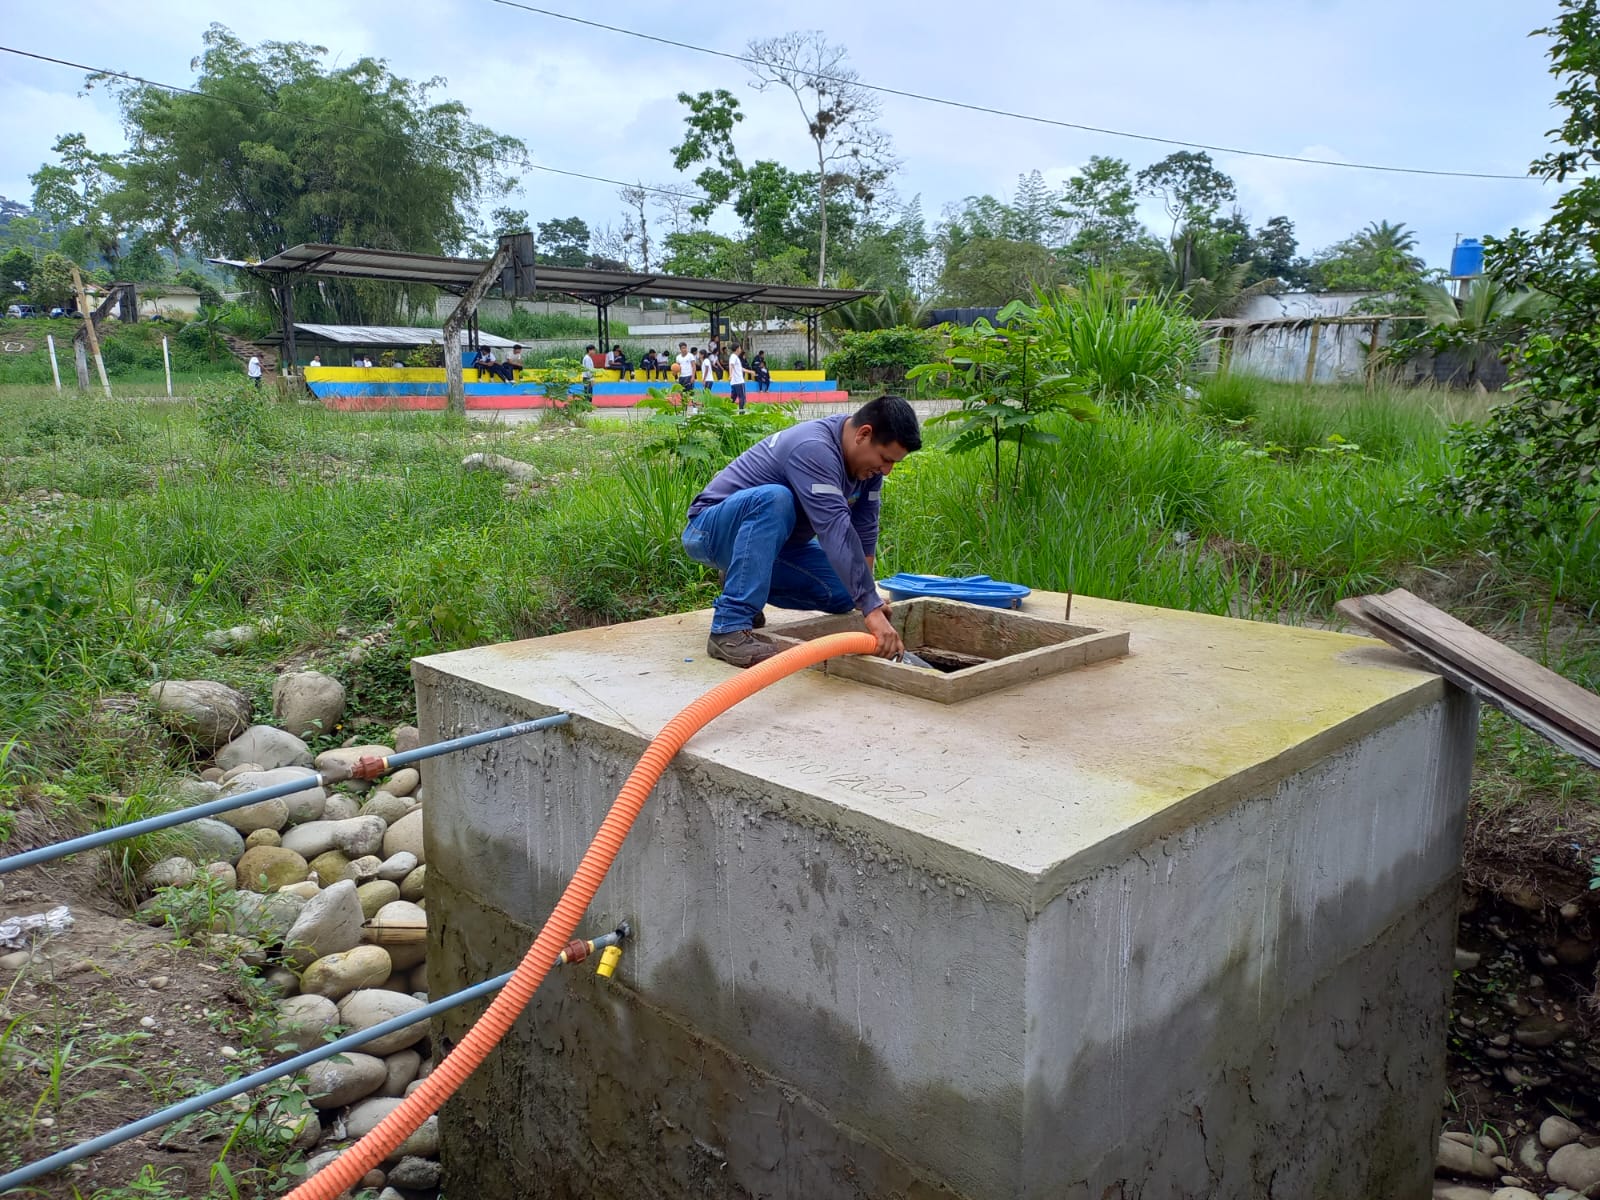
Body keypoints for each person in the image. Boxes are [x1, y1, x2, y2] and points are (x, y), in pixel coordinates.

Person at [681, 395, 921, 668]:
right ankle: (729, 627)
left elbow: (864, 529)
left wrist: (869, 601)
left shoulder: (869, 470)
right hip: (709, 530)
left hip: (775, 544)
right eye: (885, 459)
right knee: (775, 499)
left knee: (846, 593)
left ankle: (739, 577)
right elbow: (835, 529)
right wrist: (871, 609)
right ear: (863, 434)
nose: (887, 470)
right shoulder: (814, 448)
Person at [727, 343, 747, 412]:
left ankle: (728, 410)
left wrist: (750, 372)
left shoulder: (734, 357)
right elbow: (731, 365)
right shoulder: (734, 357)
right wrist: (730, 375)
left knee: (733, 398)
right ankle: (741, 413)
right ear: (737, 349)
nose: (740, 350)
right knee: (742, 397)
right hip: (739, 381)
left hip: (735, 382)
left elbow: (740, 368)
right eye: (740, 348)